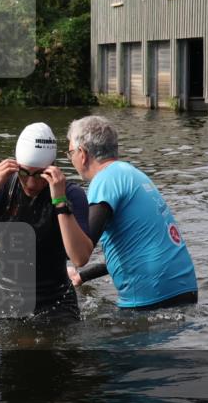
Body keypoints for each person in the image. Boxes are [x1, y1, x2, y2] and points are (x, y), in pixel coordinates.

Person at [0, 123, 91, 322]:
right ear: (15, 165)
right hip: (5, 296)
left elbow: (80, 259)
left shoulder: (71, 194)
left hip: (56, 300)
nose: (32, 183)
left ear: (52, 166)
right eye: (25, 173)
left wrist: (60, 202)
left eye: (40, 174)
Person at [65, 116, 199, 310]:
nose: (71, 160)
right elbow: (135, 247)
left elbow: (80, 254)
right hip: (184, 288)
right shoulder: (131, 173)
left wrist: (60, 204)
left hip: (153, 296)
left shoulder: (104, 181)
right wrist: (83, 275)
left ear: (82, 153)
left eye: (70, 153)